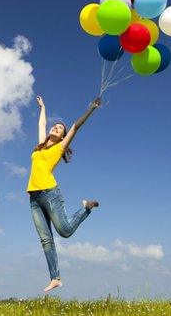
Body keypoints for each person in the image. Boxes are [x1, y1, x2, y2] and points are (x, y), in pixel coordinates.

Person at [28, 95, 102, 293]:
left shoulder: (60, 148)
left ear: (62, 137)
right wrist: (43, 107)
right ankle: (55, 278)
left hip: (50, 194)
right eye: (55, 126)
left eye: (60, 129)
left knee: (65, 231)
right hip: (33, 198)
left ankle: (86, 208)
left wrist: (91, 108)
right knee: (45, 239)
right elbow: (42, 123)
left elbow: (76, 127)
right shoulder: (40, 147)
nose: (55, 128)